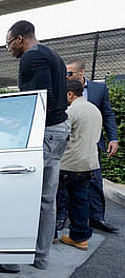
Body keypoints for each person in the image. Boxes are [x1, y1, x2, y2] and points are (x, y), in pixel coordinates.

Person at [0, 20, 70, 273]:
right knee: (46, 200)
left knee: (20, 194)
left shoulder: (31, 58)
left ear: (20, 38)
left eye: (8, 43)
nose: (8, 49)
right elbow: (53, 98)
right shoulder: (54, 56)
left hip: (44, 134)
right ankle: (40, 258)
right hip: (60, 130)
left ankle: (9, 260)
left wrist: (16, 124)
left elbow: (41, 98)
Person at [57, 59, 119, 233]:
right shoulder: (63, 88)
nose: (66, 76)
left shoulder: (99, 89)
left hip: (92, 145)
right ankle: (63, 218)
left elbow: (107, 114)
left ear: (81, 72)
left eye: (70, 73)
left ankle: (97, 218)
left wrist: (113, 138)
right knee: (70, 187)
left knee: (94, 183)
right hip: (71, 146)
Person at [56, 79, 103, 250]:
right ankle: (80, 237)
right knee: (81, 200)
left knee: (55, 199)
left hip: (69, 163)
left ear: (70, 94)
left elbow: (61, 136)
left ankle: (51, 234)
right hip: (89, 163)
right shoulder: (94, 109)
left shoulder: (71, 111)